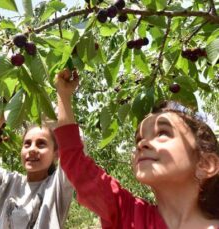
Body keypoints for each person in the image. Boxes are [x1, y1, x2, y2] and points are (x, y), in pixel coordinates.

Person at [54, 68, 219, 228]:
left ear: (206, 164)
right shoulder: (126, 212)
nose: (142, 144)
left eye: (163, 133)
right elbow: (77, 164)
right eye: (139, 139)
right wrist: (63, 95)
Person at [0, 116, 73, 229]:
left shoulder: (58, 187)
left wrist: (56, 99)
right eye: (27, 144)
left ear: (56, 153)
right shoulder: (7, 182)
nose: (32, 149)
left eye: (41, 144)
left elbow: (75, 149)